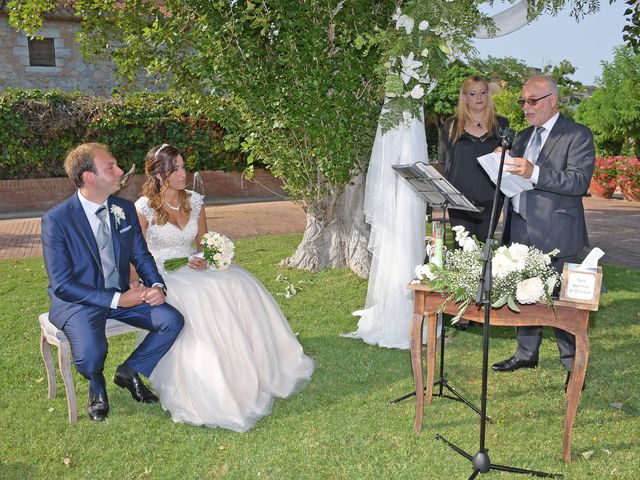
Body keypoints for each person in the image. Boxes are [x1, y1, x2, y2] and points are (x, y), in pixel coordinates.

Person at [133, 144, 315, 432]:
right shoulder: (143, 208)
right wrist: (144, 281)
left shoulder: (195, 201)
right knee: (201, 298)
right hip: (164, 275)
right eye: (175, 169)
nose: (183, 173)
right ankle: (218, 381)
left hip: (192, 268)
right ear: (158, 174)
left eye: (183, 167)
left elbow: (202, 243)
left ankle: (258, 365)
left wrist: (206, 259)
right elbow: (136, 253)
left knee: (239, 283)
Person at [41, 143, 185, 422]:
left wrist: (157, 286)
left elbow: (140, 255)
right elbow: (62, 284)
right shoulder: (56, 220)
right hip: (79, 302)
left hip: (123, 293)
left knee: (171, 320)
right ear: (89, 177)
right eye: (111, 167)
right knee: (92, 356)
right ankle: (96, 384)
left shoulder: (124, 208)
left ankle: (129, 370)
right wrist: (118, 300)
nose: (120, 170)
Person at [491, 75, 595, 389]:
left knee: (563, 308)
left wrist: (533, 171)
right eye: (523, 101)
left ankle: (572, 366)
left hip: (557, 233)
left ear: (552, 99)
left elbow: (578, 181)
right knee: (523, 297)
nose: (525, 107)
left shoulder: (577, 135)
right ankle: (526, 354)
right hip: (521, 229)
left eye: (532, 101)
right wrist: (500, 163)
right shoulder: (521, 137)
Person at [438, 75, 509, 242]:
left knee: (485, 251)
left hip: (491, 198)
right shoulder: (451, 126)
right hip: (459, 200)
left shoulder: (502, 124)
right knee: (463, 250)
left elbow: (508, 161)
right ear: (464, 97)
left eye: (483, 92)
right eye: (473, 94)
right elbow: (443, 162)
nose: (479, 97)